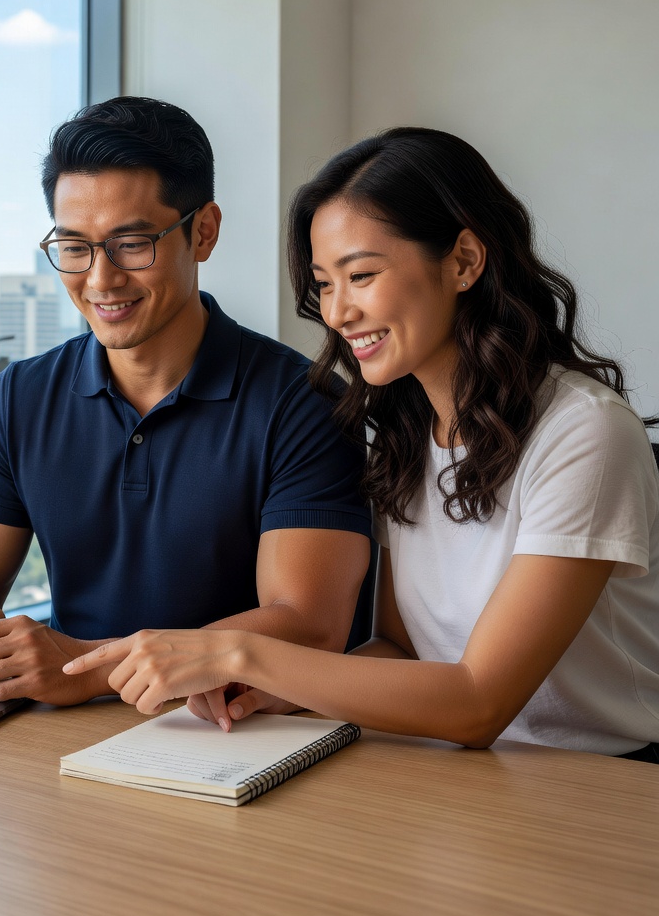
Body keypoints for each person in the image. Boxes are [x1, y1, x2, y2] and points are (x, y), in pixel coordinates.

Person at [65, 126, 659, 760]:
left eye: (362, 275)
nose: (337, 313)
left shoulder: (584, 433)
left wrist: (239, 652)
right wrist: (283, 689)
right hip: (458, 769)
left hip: (604, 782)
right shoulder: (403, 431)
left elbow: (478, 702)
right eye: (324, 284)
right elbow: (401, 651)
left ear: (462, 261)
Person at [0, 96, 371, 711]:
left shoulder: (305, 404)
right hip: (55, 736)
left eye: (131, 243)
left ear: (203, 232)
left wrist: (82, 668)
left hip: (234, 738)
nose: (100, 279)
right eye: (73, 247)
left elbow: (310, 623)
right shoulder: (19, 399)